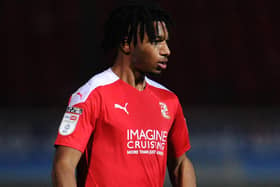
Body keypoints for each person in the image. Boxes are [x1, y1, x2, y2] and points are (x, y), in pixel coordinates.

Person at [52, 1, 196, 187]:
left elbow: (181, 164)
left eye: (166, 42)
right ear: (127, 44)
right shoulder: (90, 95)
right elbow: (64, 164)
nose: (166, 50)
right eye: (156, 42)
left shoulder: (169, 100)